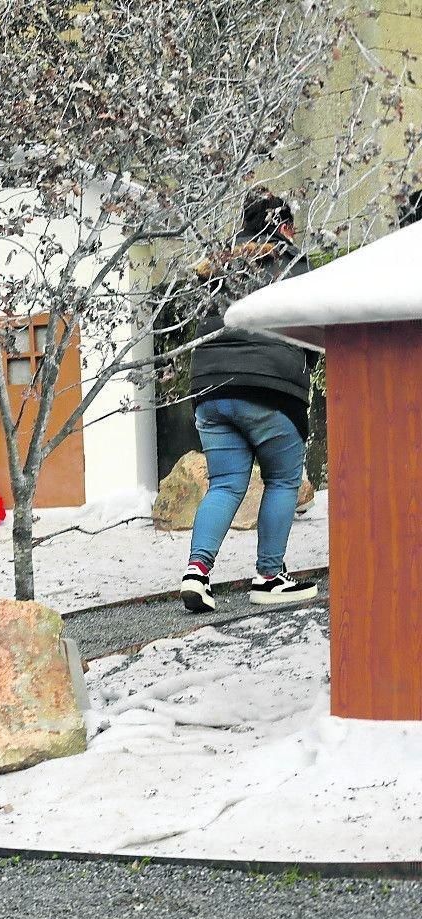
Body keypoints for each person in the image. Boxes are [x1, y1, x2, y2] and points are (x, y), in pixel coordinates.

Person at [180, 190, 319, 613]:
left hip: (210, 387)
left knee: (225, 483)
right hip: (268, 387)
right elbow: (313, 327)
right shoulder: (293, 263)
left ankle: (196, 573)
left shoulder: (216, 264)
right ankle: (270, 576)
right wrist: (304, 367)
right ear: (284, 226)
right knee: (282, 480)